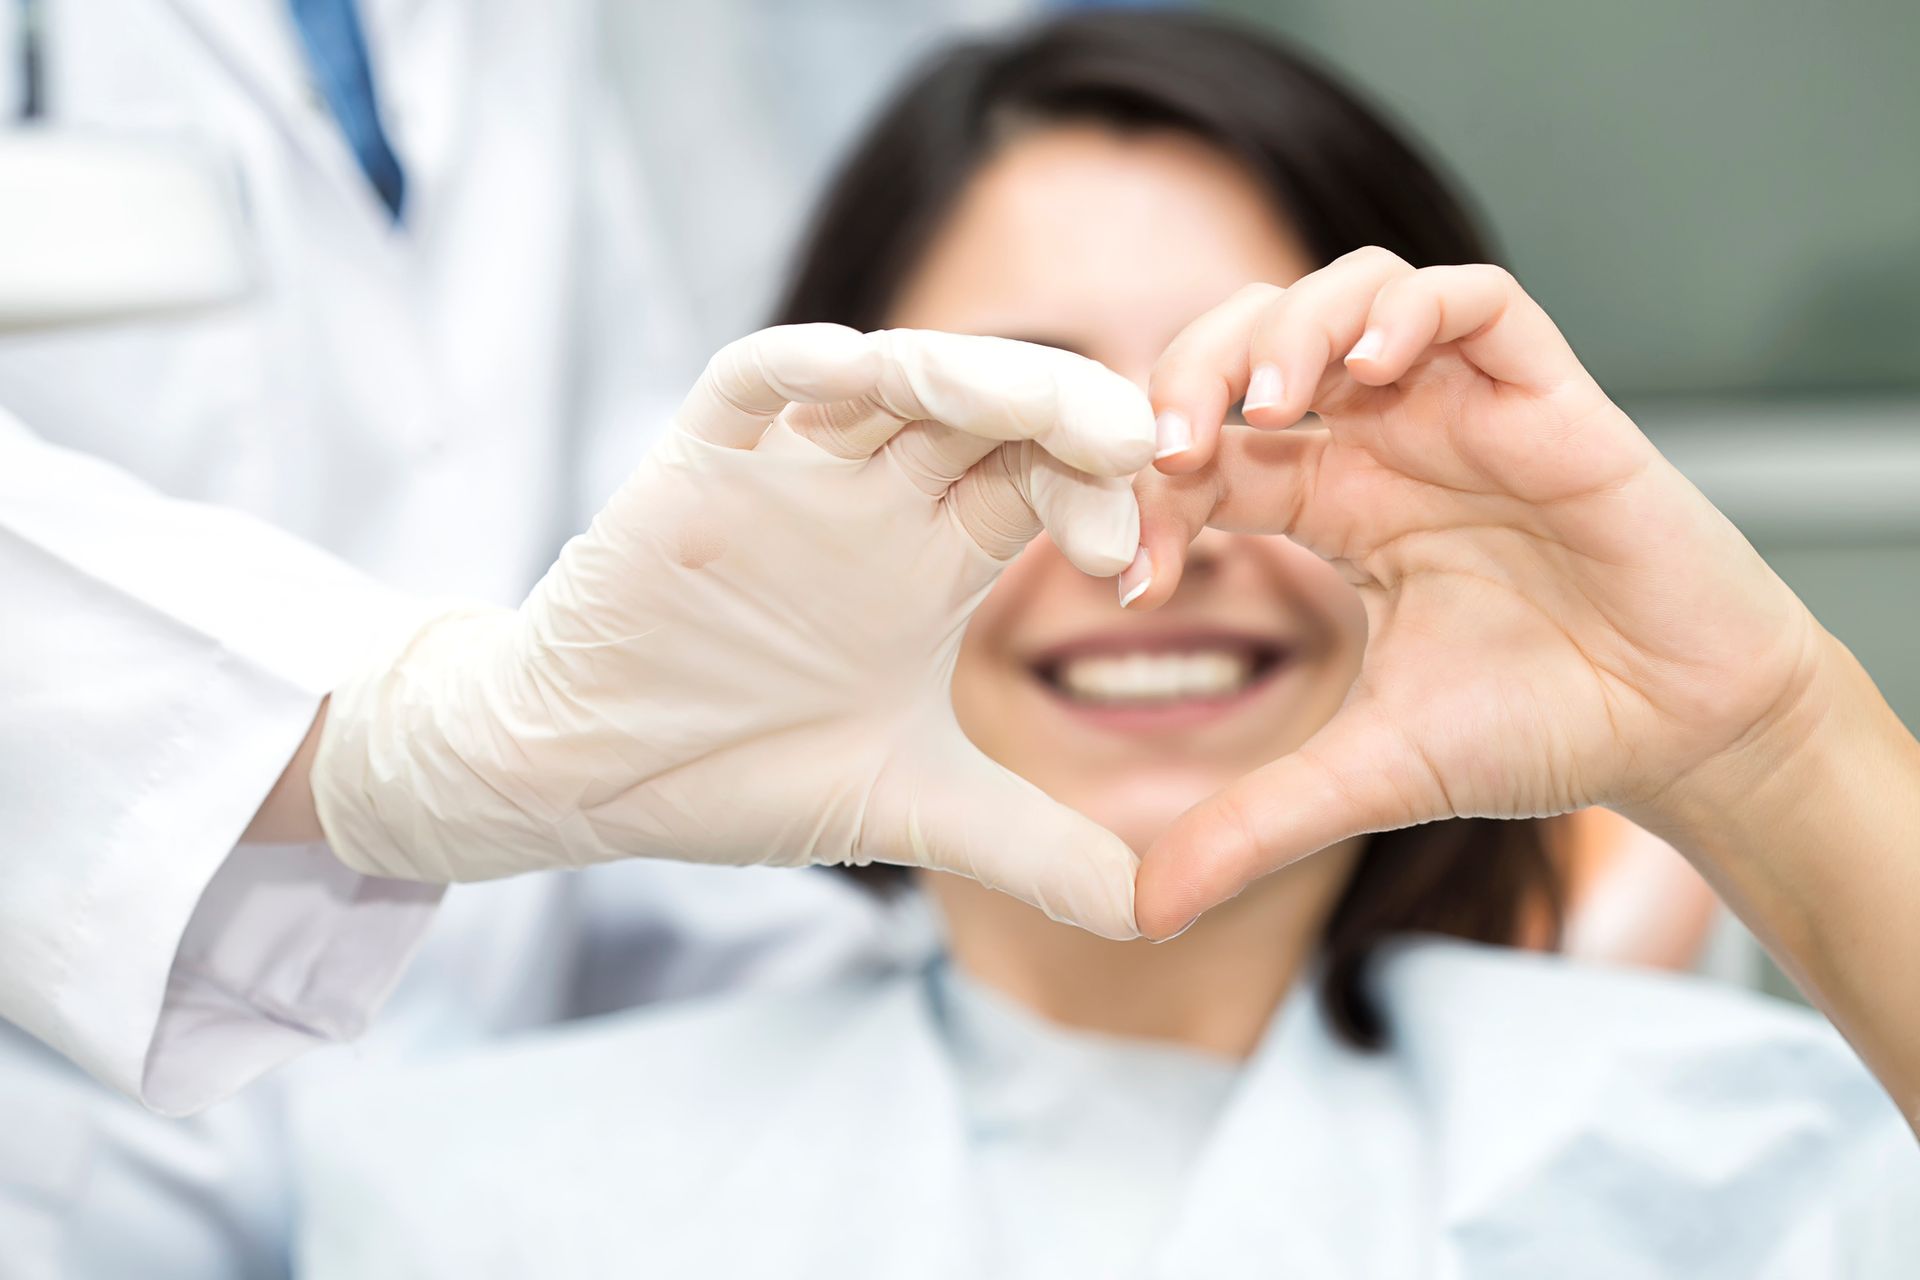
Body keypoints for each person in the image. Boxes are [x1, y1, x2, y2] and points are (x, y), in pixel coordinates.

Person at [12, 11, 1915, 1277]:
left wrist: (1765, 751)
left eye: (1262, 407)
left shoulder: (1764, 1143)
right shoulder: (445, 1198)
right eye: (1029, 426)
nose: (1153, 523)